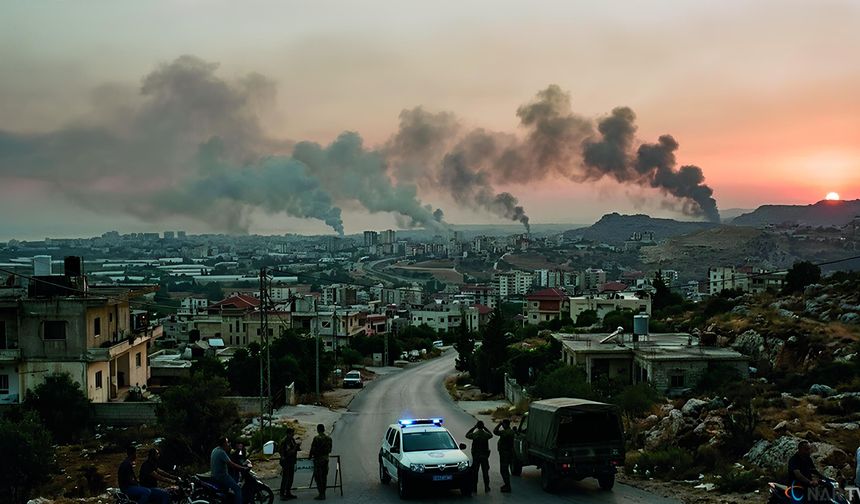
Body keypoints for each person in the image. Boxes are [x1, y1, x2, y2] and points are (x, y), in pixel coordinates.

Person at [212, 436, 248, 504]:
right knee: (237, 489)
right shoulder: (222, 452)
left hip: (216, 474)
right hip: (222, 476)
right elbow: (231, 463)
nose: (229, 444)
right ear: (224, 444)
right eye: (227, 442)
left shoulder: (215, 450)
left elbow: (241, 458)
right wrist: (242, 468)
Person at [465, 420, 493, 493]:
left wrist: (474, 428)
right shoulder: (485, 435)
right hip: (484, 456)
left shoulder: (475, 434)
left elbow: (467, 435)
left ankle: (474, 488)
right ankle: (486, 487)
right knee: (485, 472)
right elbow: (491, 434)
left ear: (477, 426)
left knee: (475, 473)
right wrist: (485, 428)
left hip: (476, 456)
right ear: (483, 426)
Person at [309, 424, 333, 501]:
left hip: (318, 460)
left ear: (318, 429)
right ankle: (323, 493)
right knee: (324, 477)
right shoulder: (329, 438)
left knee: (318, 478)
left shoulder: (316, 438)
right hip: (326, 459)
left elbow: (312, 449)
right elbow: (330, 450)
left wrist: (310, 457)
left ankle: (321, 494)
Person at [279, 427, 300, 500]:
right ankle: (282, 494)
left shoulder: (291, 440)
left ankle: (288, 492)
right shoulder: (285, 441)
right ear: (288, 433)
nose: (293, 435)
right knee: (285, 478)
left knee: (290, 478)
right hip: (286, 461)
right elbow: (288, 452)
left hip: (291, 461)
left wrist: (297, 447)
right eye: (292, 433)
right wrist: (295, 449)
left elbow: (294, 448)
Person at [493, 419, 515, 493]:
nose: (502, 426)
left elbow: (495, 431)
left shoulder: (505, 432)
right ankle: (507, 485)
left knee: (503, 470)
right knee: (505, 469)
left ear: (506, 424)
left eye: (503, 424)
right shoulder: (511, 431)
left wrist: (499, 424)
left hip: (505, 453)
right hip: (508, 453)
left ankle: (507, 485)